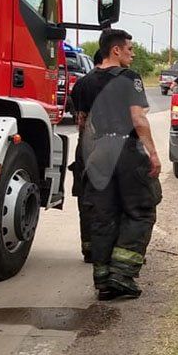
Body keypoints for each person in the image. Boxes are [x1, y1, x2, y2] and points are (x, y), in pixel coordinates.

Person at [70, 31, 162, 300]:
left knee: (103, 216)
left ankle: (103, 279)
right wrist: (153, 153)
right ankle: (122, 273)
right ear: (116, 50)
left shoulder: (84, 83)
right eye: (130, 49)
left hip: (98, 152)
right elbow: (138, 119)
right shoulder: (130, 78)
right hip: (126, 150)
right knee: (141, 211)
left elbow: (82, 123)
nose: (133, 54)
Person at [73, 48, 106, 263]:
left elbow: (80, 119)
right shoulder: (119, 81)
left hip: (86, 145)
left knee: (86, 197)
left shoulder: (81, 84)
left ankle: (89, 248)